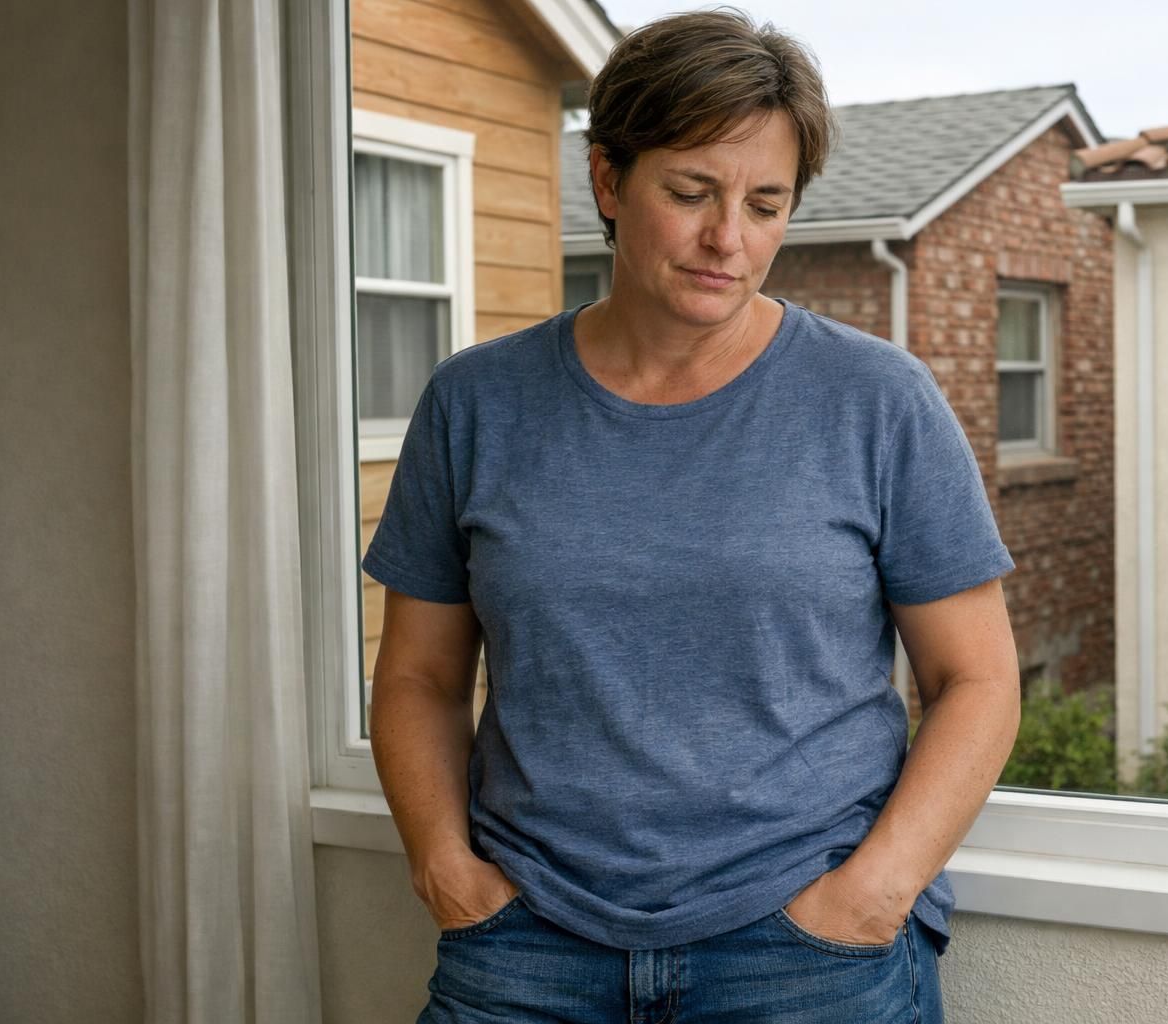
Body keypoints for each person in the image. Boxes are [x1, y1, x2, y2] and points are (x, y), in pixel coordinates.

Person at [362, 9, 1021, 1022]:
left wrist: (872, 893)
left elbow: (975, 679)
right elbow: (417, 675)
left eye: (766, 204)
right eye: (691, 192)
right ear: (607, 181)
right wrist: (447, 869)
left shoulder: (878, 400)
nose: (729, 239)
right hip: (527, 945)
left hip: (803, 956)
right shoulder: (477, 403)